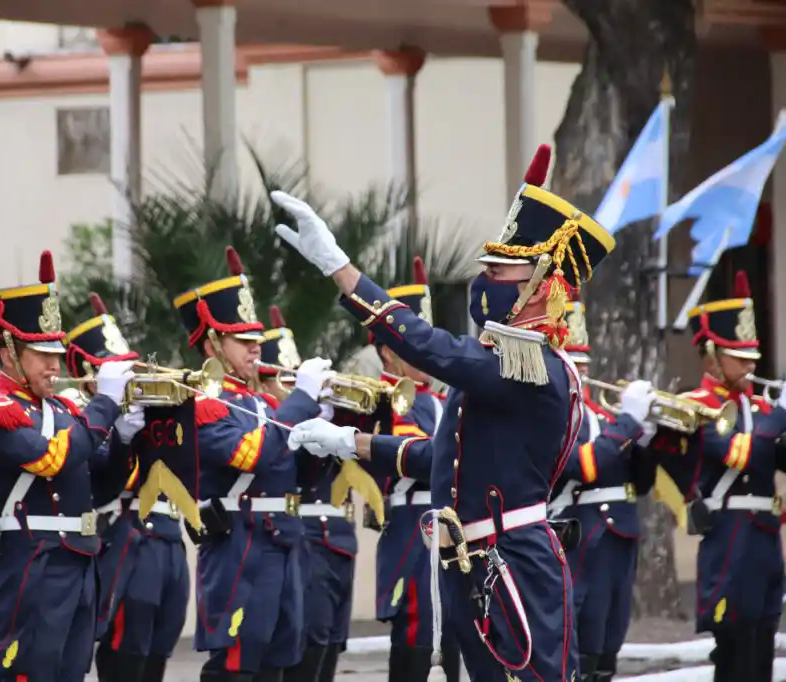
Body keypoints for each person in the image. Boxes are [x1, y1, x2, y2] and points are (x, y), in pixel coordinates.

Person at [275, 144, 616, 681]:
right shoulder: (502, 362)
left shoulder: (531, 367)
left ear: (539, 285)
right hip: (474, 560)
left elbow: (429, 347)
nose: (483, 279)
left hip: (512, 562)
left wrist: (341, 270)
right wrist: (350, 443)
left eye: (498, 270)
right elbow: (445, 456)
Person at [0, 251, 142, 682]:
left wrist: (123, 438)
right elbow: (52, 458)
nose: (54, 364)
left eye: (56, 353)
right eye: (41, 353)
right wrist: (105, 404)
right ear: (9, 353)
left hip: (80, 561)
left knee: (71, 672)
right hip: (32, 564)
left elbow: (101, 488)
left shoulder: (65, 410)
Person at [172, 246, 332, 682]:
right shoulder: (206, 403)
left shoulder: (266, 403)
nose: (255, 348)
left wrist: (325, 431)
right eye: (242, 340)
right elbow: (251, 454)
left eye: (256, 339)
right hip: (241, 545)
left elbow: (303, 475)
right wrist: (300, 400)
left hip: (283, 540)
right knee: (236, 665)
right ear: (212, 344)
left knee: (275, 666)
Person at [651, 271, 786, 682]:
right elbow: (738, 455)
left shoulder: (763, 409)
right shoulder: (696, 407)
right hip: (730, 538)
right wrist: (781, 414)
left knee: (763, 645)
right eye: (740, 357)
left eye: (753, 357)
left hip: (765, 537)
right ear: (711, 353)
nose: (751, 365)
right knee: (735, 651)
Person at [65, 293, 187, 682]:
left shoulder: (146, 409)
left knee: (160, 647)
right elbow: (104, 479)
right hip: (128, 536)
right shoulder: (82, 417)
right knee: (127, 649)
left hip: (169, 535)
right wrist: (121, 433)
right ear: (90, 377)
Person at [546, 300, 657, 682]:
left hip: (619, 536)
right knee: (584, 640)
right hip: (581, 537)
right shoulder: (551, 418)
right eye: (572, 364)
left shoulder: (607, 419)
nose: (582, 373)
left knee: (611, 638)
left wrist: (645, 440)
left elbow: (641, 483)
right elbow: (583, 466)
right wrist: (628, 424)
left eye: (584, 364)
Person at [366, 258, 461, 682]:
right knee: (420, 633)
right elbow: (418, 455)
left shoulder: (440, 400)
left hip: (449, 526)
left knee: (452, 628)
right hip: (413, 530)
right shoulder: (385, 399)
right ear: (388, 351)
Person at [262, 305, 356, 682]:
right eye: (283, 381)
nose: (293, 391)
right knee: (309, 642)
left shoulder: (299, 416)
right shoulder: (271, 422)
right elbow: (293, 470)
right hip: (304, 537)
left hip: (336, 539)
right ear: (264, 384)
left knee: (330, 642)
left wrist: (332, 416)